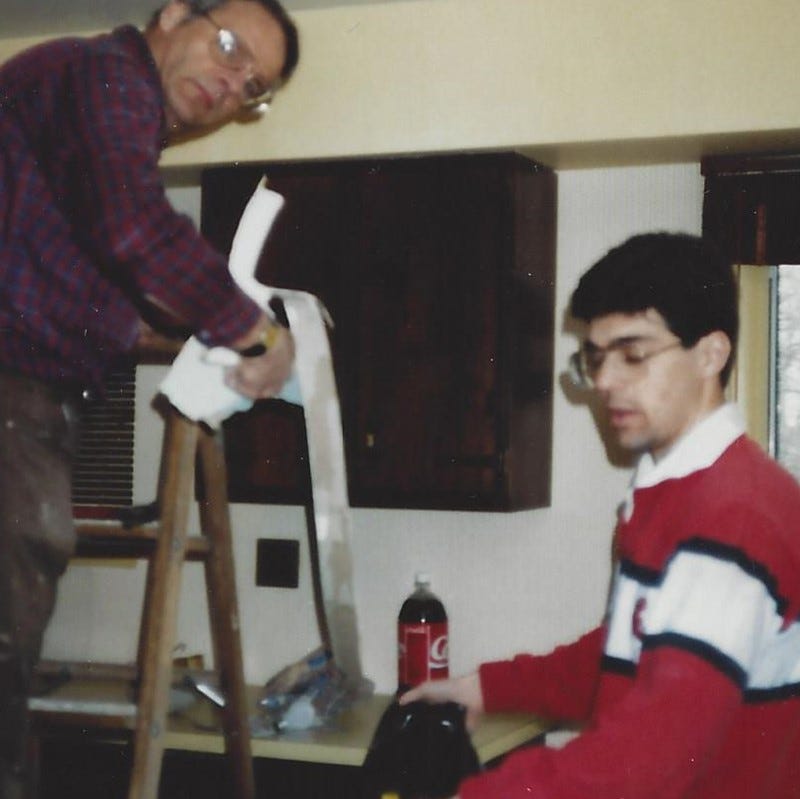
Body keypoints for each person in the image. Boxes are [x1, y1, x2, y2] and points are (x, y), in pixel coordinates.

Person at [0, 1, 299, 793]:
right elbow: (135, 229)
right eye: (230, 48)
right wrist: (258, 334)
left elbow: (75, 263)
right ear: (173, 13)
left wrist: (141, 324)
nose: (232, 83)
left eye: (253, 85)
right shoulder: (107, 75)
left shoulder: (96, 113)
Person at [402, 232, 800, 798]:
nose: (606, 382)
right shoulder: (683, 489)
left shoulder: (729, 519)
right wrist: (486, 688)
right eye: (596, 357)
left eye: (634, 354)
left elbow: (653, 754)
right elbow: (633, 653)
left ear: (711, 354)